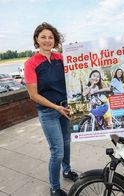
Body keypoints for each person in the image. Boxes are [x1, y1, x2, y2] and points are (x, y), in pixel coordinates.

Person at [24, 22, 78, 196]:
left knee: (67, 143)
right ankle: (54, 187)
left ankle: (67, 171)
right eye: (43, 37)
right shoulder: (31, 63)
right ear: (36, 40)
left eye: (50, 37)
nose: (47, 40)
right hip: (48, 112)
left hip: (65, 108)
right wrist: (56, 107)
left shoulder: (61, 58)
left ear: (55, 40)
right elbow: (33, 95)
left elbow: (75, 78)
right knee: (57, 151)